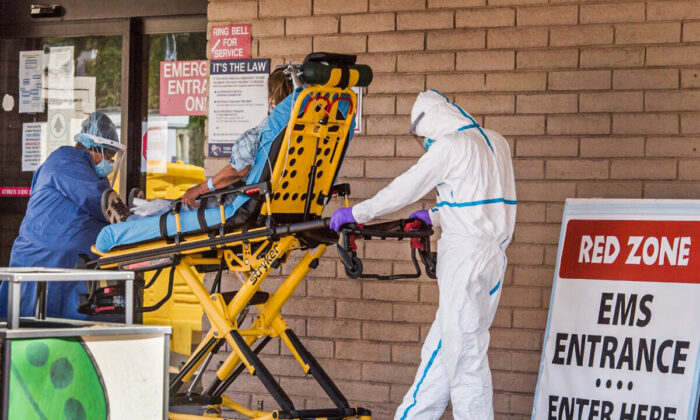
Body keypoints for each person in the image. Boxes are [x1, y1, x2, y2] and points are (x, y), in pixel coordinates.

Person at [329, 90, 516, 420]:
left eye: (423, 138)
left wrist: (360, 213)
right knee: (442, 351)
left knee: (465, 360)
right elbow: (483, 202)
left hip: (465, 260)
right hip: (493, 259)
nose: (425, 144)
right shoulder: (496, 142)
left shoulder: (450, 145)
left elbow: (407, 186)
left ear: (431, 125)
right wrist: (437, 215)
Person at [108, 67, 295, 223]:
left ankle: (131, 220)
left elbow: (237, 170)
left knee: (184, 205)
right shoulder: (298, 131)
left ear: (272, 96)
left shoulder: (267, 130)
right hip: (277, 203)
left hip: (241, 203)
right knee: (178, 202)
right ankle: (143, 208)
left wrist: (199, 189)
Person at [0, 111, 125, 319]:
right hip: (43, 258)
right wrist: (132, 220)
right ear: (94, 147)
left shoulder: (84, 169)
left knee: (54, 327)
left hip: (60, 262)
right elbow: (102, 203)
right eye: (108, 155)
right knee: (27, 326)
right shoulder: (68, 161)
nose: (109, 162)